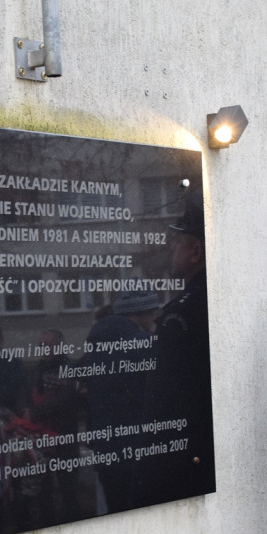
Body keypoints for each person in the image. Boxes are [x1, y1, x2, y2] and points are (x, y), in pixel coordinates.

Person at [138, 194, 216, 508]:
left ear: (196, 251)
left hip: (184, 458)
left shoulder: (182, 314)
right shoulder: (210, 298)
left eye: (177, 241)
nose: (171, 248)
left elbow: (165, 401)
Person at [80, 288, 159, 513]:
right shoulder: (146, 344)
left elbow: (81, 380)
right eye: (153, 312)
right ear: (142, 312)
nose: (155, 318)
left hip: (107, 447)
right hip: (140, 449)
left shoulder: (95, 341)